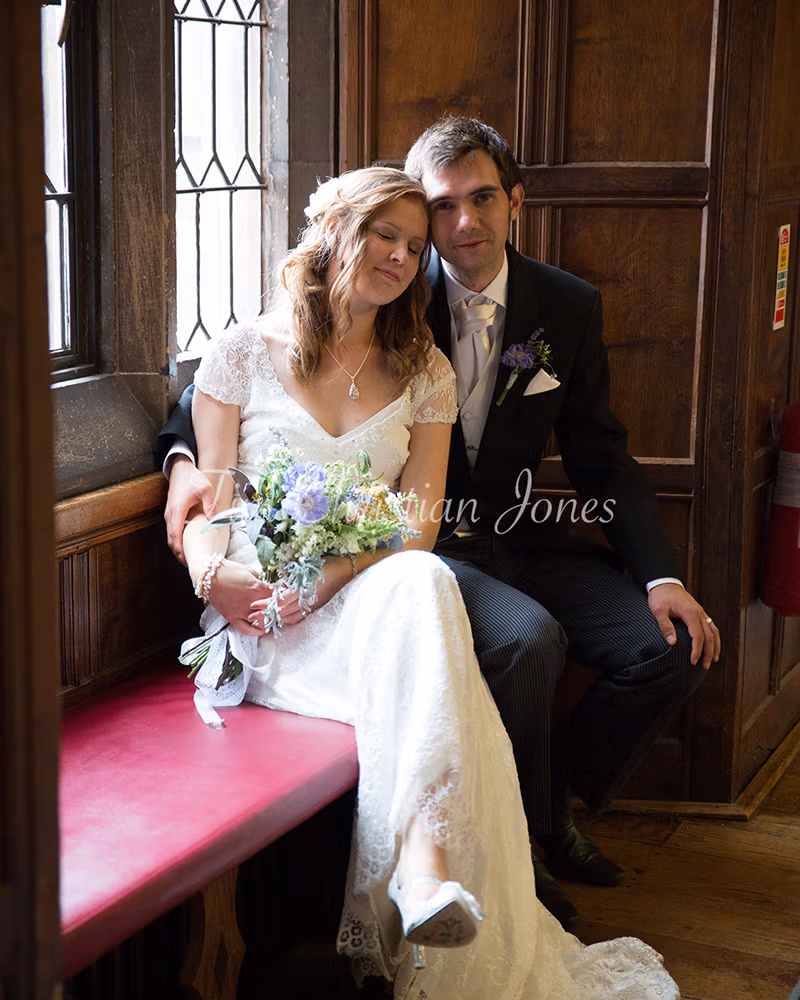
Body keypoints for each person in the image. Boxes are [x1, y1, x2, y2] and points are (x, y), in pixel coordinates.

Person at [159, 118, 719, 930]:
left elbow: (601, 452)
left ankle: (552, 802)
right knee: (527, 640)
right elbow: (218, 417)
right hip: (416, 554)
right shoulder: (394, 299)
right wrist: (185, 477)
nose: (460, 226)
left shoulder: (563, 307)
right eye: (437, 210)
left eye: (482, 199)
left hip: (511, 536)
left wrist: (661, 576)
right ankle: (518, 851)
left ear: (515, 200)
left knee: (665, 650)